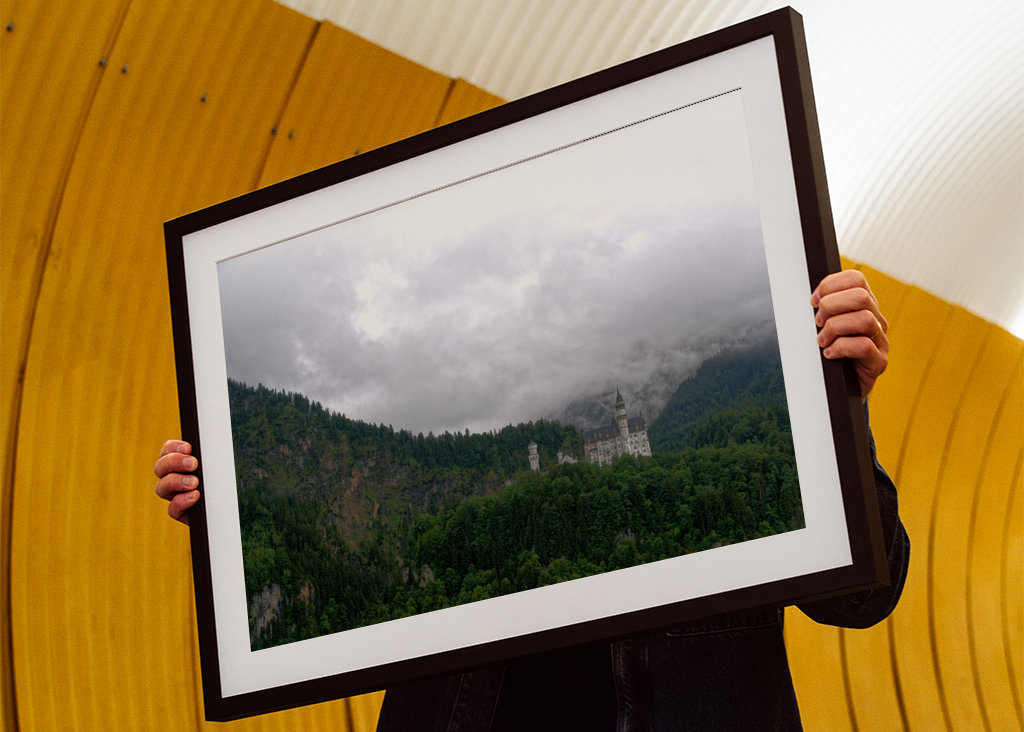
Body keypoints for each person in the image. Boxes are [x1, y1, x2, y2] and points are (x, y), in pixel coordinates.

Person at [155, 269, 909, 731]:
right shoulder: (479, 422)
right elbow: (361, 562)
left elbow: (864, 596)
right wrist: (243, 503)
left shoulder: (775, 359)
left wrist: (838, 407)